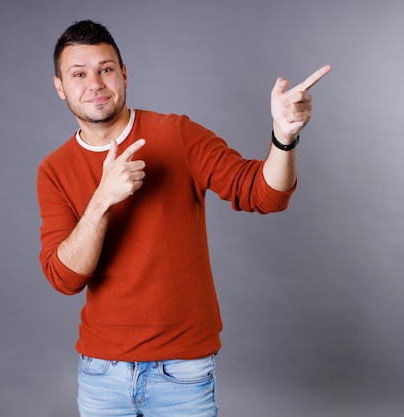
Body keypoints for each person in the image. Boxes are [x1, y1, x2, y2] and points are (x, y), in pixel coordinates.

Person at [37, 19, 331, 417]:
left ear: (124, 75)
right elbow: (65, 277)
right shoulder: (54, 169)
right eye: (78, 73)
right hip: (101, 374)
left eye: (106, 69)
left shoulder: (177, 134)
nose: (95, 83)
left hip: (182, 374)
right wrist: (102, 199)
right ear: (60, 87)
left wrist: (284, 136)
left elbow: (265, 195)